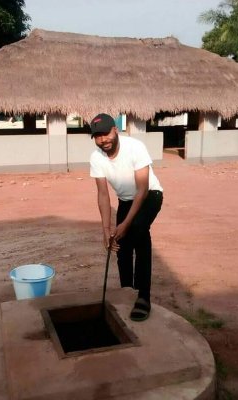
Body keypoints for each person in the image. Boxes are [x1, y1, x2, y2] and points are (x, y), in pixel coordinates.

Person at [89, 113, 163, 322]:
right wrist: (106, 230)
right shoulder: (96, 158)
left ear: (115, 130)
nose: (103, 139)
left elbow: (142, 190)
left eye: (106, 133)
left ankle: (143, 297)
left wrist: (126, 223)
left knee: (138, 231)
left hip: (150, 195)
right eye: (97, 136)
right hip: (126, 200)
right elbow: (103, 195)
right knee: (119, 242)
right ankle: (126, 290)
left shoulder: (135, 147)